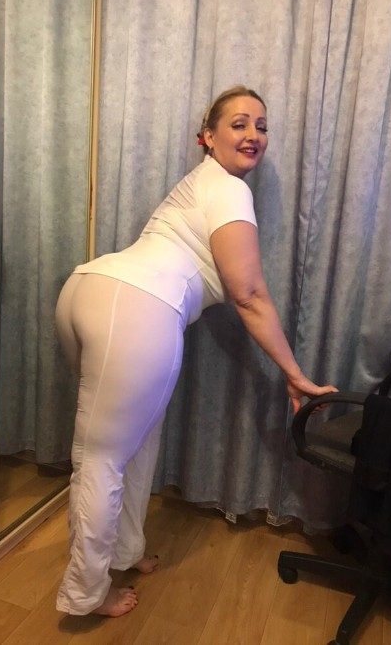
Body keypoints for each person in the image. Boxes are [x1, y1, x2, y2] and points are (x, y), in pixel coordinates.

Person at [54, 85, 337, 618]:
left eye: (262, 126)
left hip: (90, 292)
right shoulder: (228, 189)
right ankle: (86, 593)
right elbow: (248, 294)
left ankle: (125, 551)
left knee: (136, 439)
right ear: (207, 136)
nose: (253, 134)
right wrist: (294, 373)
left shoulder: (200, 184)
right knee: (103, 459)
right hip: (137, 308)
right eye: (239, 123)